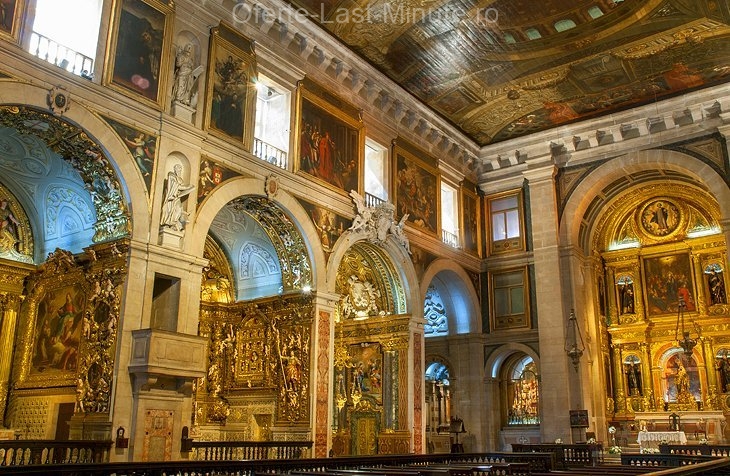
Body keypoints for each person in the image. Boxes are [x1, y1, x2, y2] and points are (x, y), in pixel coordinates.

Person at [160, 164, 195, 232]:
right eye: (178, 168)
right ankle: (168, 223)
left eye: (180, 169)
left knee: (178, 209)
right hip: (171, 197)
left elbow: (180, 187)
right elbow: (175, 186)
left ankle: (174, 223)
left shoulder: (180, 179)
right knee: (170, 209)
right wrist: (187, 187)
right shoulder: (171, 175)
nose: (179, 170)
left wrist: (189, 188)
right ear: (175, 169)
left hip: (177, 197)